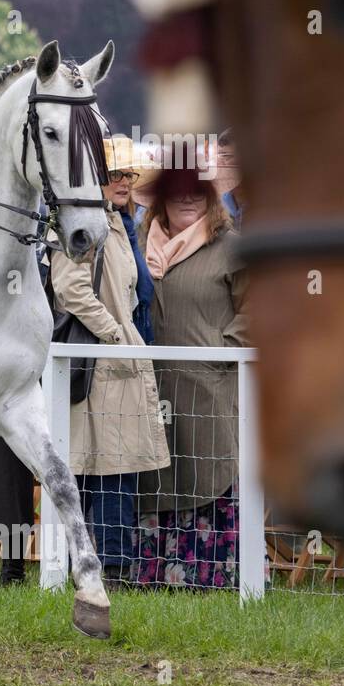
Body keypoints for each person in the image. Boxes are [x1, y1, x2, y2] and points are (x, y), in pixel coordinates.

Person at [49, 136, 170, 589]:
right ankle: (93, 568)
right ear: (95, 178)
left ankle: (114, 568)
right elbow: (70, 289)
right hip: (97, 361)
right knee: (94, 468)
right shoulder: (83, 225)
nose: (123, 182)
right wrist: (116, 334)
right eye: (114, 174)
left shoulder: (122, 224)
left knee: (117, 467)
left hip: (119, 362)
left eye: (129, 175)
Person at [136, 157, 249, 589]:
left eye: (196, 189)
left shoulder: (232, 247)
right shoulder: (140, 243)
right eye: (176, 188)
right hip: (152, 390)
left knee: (209, 475)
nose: (185, 196)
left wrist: (221, 356)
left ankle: (213, 578)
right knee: (157, 477)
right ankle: (155, 577)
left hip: (210, 391)